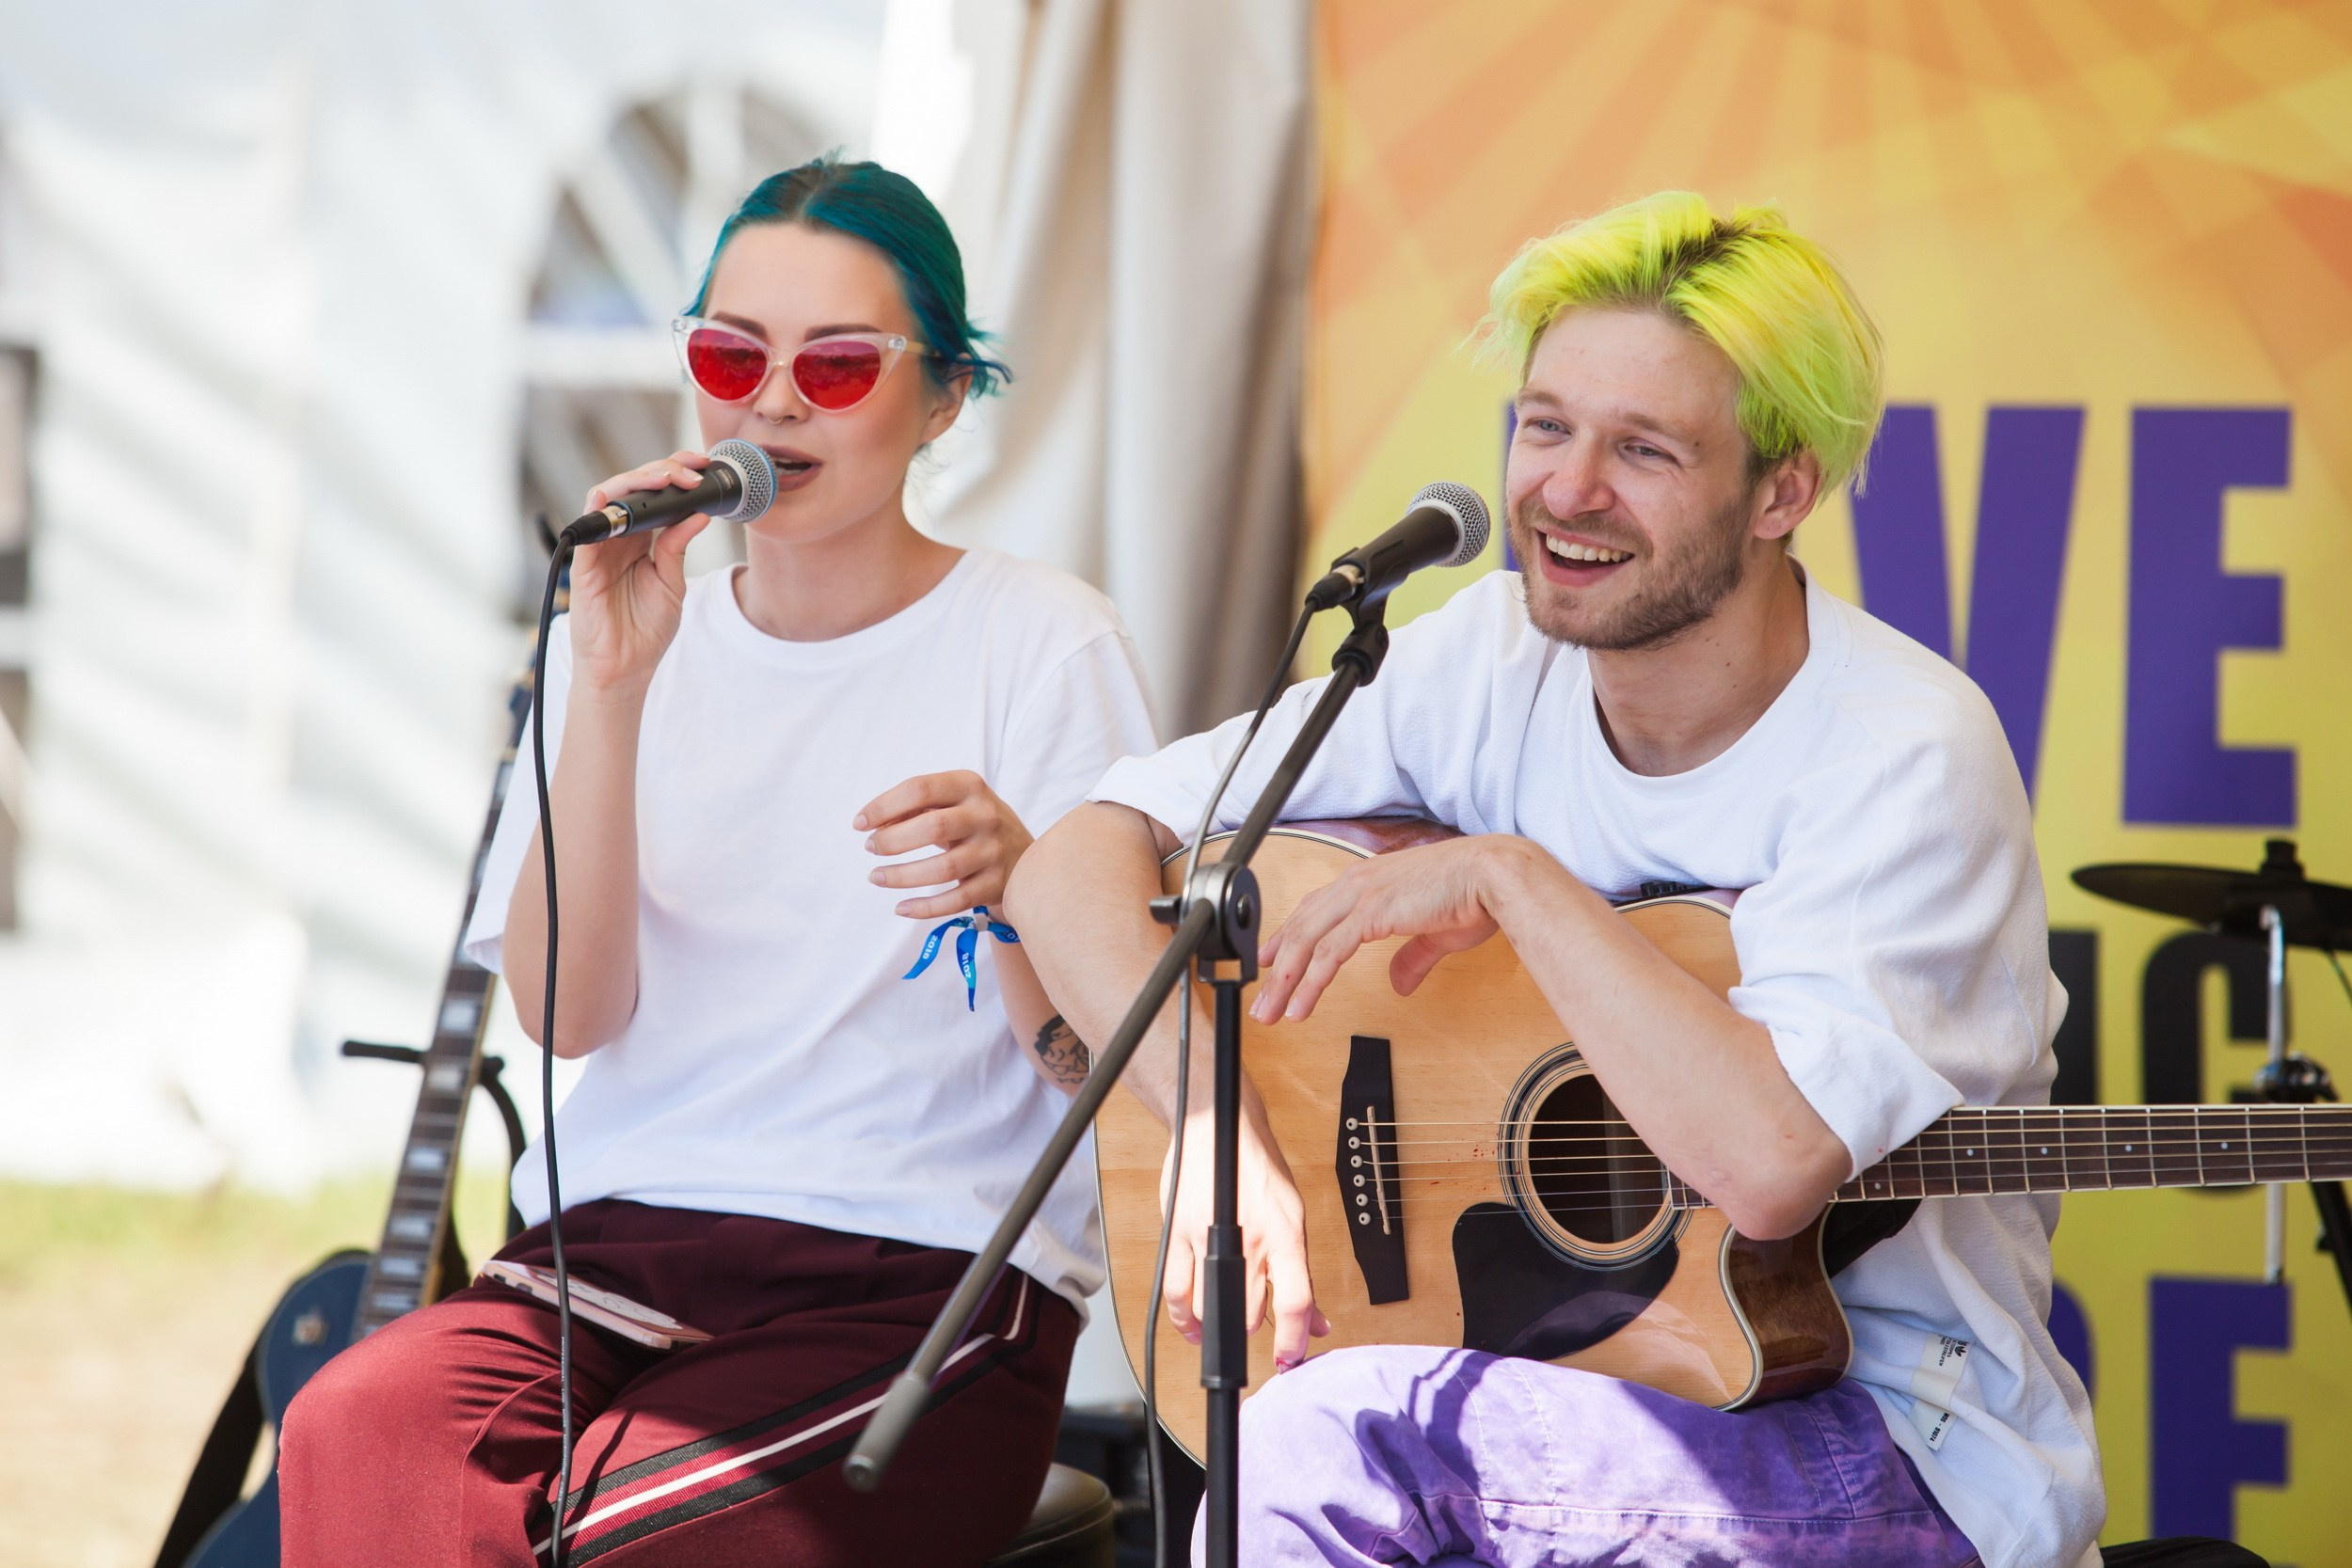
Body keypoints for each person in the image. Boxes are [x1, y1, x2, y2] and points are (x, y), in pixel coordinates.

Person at [1009, 192, 2100, 1568]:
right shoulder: (1488, 660)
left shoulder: (1903, 753)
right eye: (1543, 424)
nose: (1565, 491)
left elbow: (1768, 1170)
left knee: (1316, 1446)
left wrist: (1522, 885)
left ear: (1781, 492)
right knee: (1311, 1429)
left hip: (1895, 1444)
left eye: (1642, 448)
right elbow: (1071, 867)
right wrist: (1221, 1133)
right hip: (1568, 1386)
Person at [278, 157, 1157, 1567]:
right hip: (612, 1256)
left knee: (629, 1523)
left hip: (925, 1278)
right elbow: (569, 1017)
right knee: (352, 1432)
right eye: (730, 352)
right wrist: (615, 687)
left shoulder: (1044, 641)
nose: (776, 398)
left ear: (943, 400)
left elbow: (1106, 1073)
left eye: (842, 364)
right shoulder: (615, 631)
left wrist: (1023, 891)